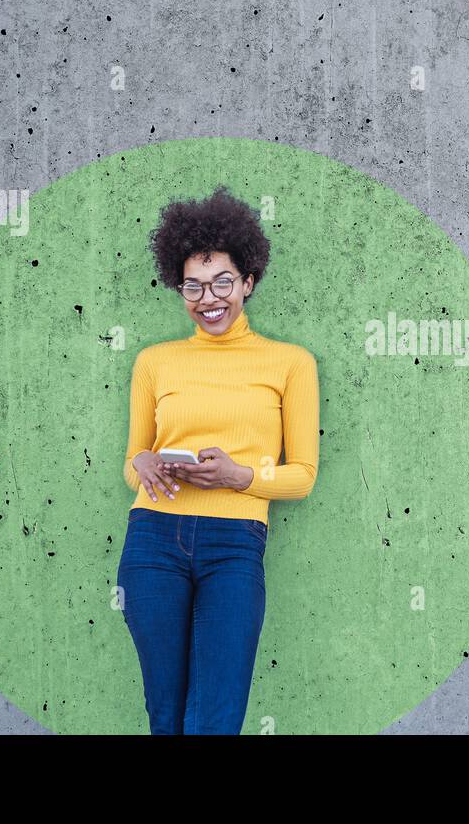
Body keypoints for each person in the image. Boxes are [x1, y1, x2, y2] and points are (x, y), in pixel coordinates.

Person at [117, 185, 319, 734]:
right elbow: (133, 461)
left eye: (223, 282)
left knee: (215, 719)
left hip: (234, 545)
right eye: (194, 286)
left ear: (248, 281)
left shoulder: (290, 364)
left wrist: (238, 475)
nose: (209, 298)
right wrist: (145, 462)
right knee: (165, 716)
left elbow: (302, 476)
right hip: (153, 539)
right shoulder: (154, 362)